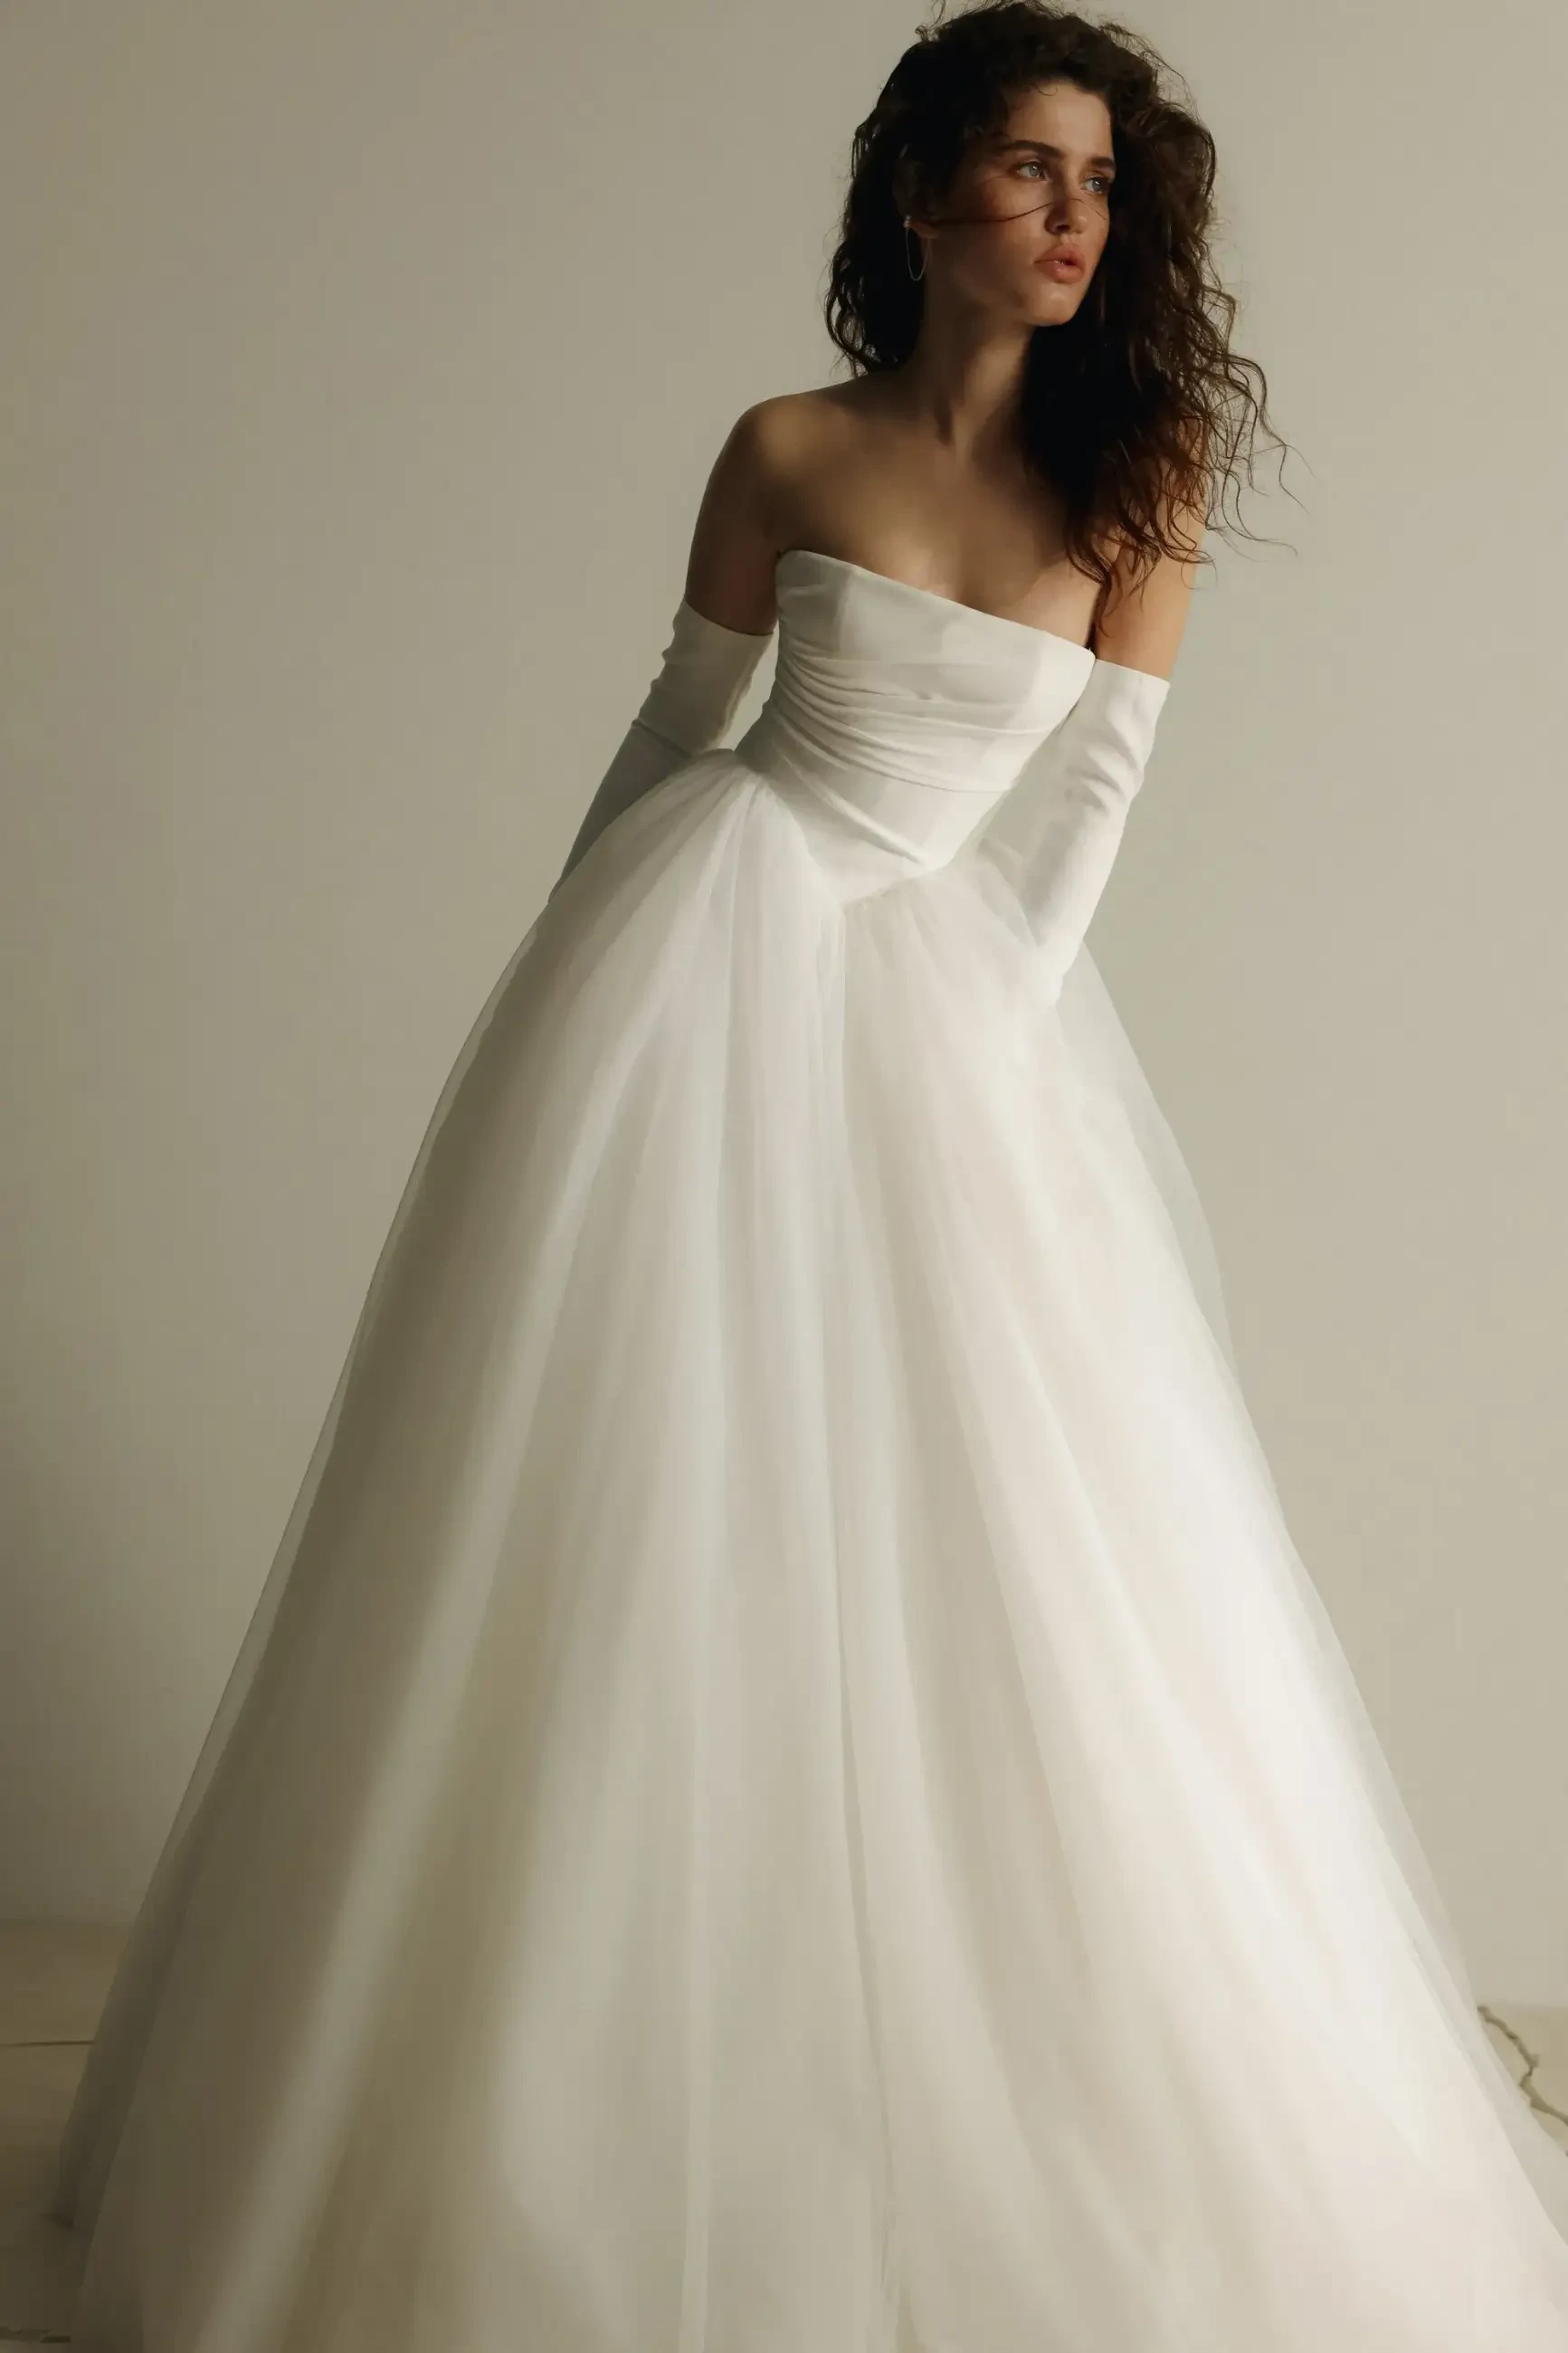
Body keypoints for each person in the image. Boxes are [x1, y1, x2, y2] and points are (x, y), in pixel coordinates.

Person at [51, 5, 1568, 2347]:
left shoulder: (1130, 469)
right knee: (637, 1513)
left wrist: (979, 1028)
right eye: (1029, 173)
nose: (1073, 222)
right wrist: (562, 982)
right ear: (916, 194)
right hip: (710, 954)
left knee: (1022, 1543)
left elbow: (1091, 798)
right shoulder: (783, 442)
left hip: (964, 994)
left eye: (1099, 185)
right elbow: (684, 719)